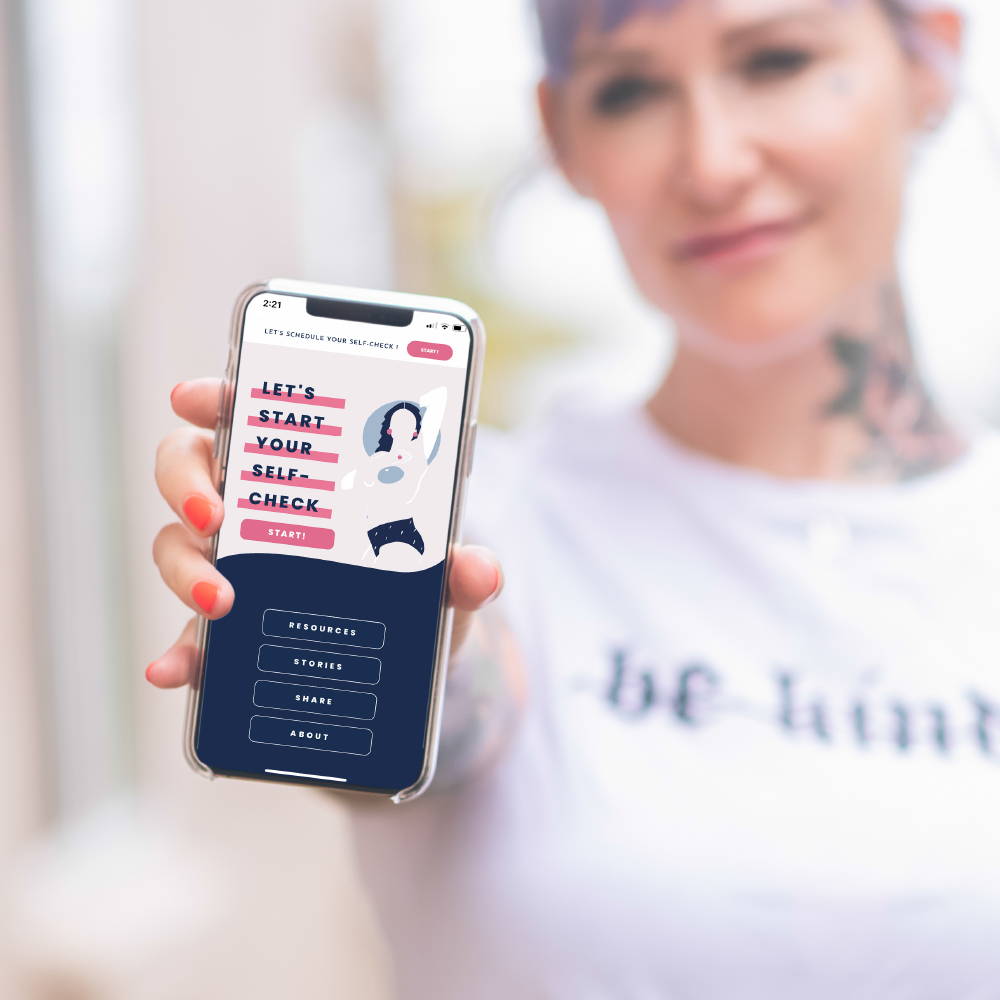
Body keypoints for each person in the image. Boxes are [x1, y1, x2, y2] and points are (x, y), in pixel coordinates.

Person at [150, 0, 1000, 996]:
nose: (714, 162)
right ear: (563, 135)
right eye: (630, 90)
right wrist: (352, 646)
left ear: (932, 57)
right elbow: (449, 718)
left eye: (775, 60)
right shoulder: (483, 531)